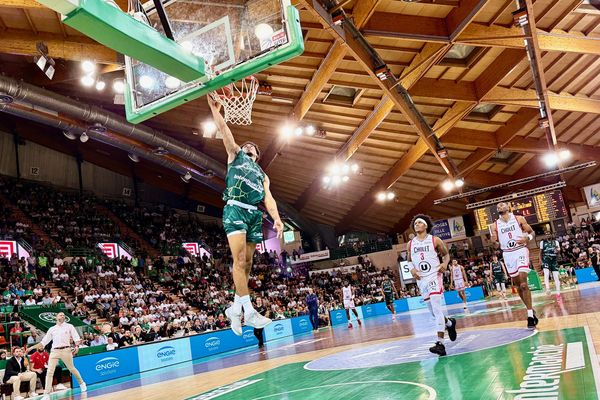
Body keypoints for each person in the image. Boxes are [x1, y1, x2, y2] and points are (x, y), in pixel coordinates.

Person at [208, 96, 283, 336]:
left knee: (248, 264)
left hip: (254, 215)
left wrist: (278, 218)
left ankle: (234, 307)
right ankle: (248, 311)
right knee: (239, 260)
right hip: (235, 208)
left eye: (253, 147)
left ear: (257, 155)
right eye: (247, 144)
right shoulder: (235, 155)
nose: (248, 146)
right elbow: (224, 129)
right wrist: (214, 109)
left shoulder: (263, 175)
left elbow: (268, 199)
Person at [408, 214, 457, 356]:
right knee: (433, 313)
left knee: (436, 309)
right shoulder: (410, 243)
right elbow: (409, 260)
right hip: (421, 279)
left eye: (419, 223)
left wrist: (445, 264)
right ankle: (449, 323)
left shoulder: (435, 240)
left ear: (426, 226)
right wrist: (412, 269)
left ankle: (440, 344)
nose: (416, 224)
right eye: (415, 223)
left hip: (434, 275)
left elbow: (446, 255)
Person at [491, 202, 538, 329]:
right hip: (507, 254)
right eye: (498, 206)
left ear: (508, 207)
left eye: (503, 205)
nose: (500, 206)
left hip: (520, 250)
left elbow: (532, 232)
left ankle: (529, 316)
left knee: (523, 284)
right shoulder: (494, 225)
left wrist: (527, 238)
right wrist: (493, 242)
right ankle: (531, 309)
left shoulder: (519, 218)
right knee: (518, 285)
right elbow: (495, 243)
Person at [30, 312, 87, 400]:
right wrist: (31, 348)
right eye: (60, 315)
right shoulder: (52, 329)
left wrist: (77, 346)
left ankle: (82, 383)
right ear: (56, 318)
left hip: (66, 350)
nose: (62, 316)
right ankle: (46, 394)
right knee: (49, 372)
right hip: (54, 351)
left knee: (72, 368)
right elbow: (43, 342)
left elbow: (76, 337)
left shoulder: (69, 326)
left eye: (63, 315)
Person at [539, 233, 561, 298]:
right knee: (546, 274)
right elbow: (540, 252)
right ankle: (548, 289)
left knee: (556, 276)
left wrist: (558, 250)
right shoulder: (542, 242)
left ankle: (558, 292)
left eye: (549, 234)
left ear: (551, 235)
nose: (548, 235)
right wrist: (540, 260)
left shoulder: (556, 242)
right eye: (546, 234)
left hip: (554, 260)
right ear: (545, 236)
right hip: (546, 259)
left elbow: (558, 251)